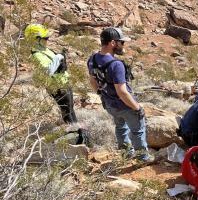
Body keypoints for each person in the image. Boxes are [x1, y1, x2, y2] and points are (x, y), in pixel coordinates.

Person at [87, 27, 152, 162]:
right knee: (138, 130)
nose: (123, 45)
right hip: (124, 105)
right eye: (121, 42)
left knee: (121, 127)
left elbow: (92, 80)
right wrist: (137, 107)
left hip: (109, 104)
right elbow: (122, 92)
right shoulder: (116, 65)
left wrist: (101, 94)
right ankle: (143, 158)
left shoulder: (92, 59)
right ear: (112, 43)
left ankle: (126, 153)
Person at [25, 24, 77, 124]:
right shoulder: (37, 55)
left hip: (63, 84)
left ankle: (78, 131)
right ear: (36, 39)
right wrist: (58, 57)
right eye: (45, 38)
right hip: (57, 88)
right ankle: (75, 133)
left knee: (70, 109)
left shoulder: (44, 49)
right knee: (67, 112)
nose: (47, 40)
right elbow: (48, 71)